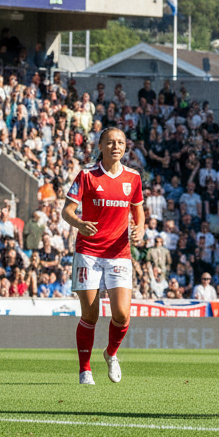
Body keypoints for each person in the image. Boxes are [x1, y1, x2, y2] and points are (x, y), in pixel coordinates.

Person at [61, 127, 144, 385]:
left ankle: (111, 353)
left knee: (121, 314)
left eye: (120, 142)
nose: (115, 146)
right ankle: (84, 369)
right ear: (100, 146)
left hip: (119, 253)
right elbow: (67, 211)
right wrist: (79, 223)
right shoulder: (87, 175)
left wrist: (140, 228)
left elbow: (138, 211)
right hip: (88, 252)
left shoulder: (133, 177)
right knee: (91, 315)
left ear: (125, 146)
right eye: (110, 142)